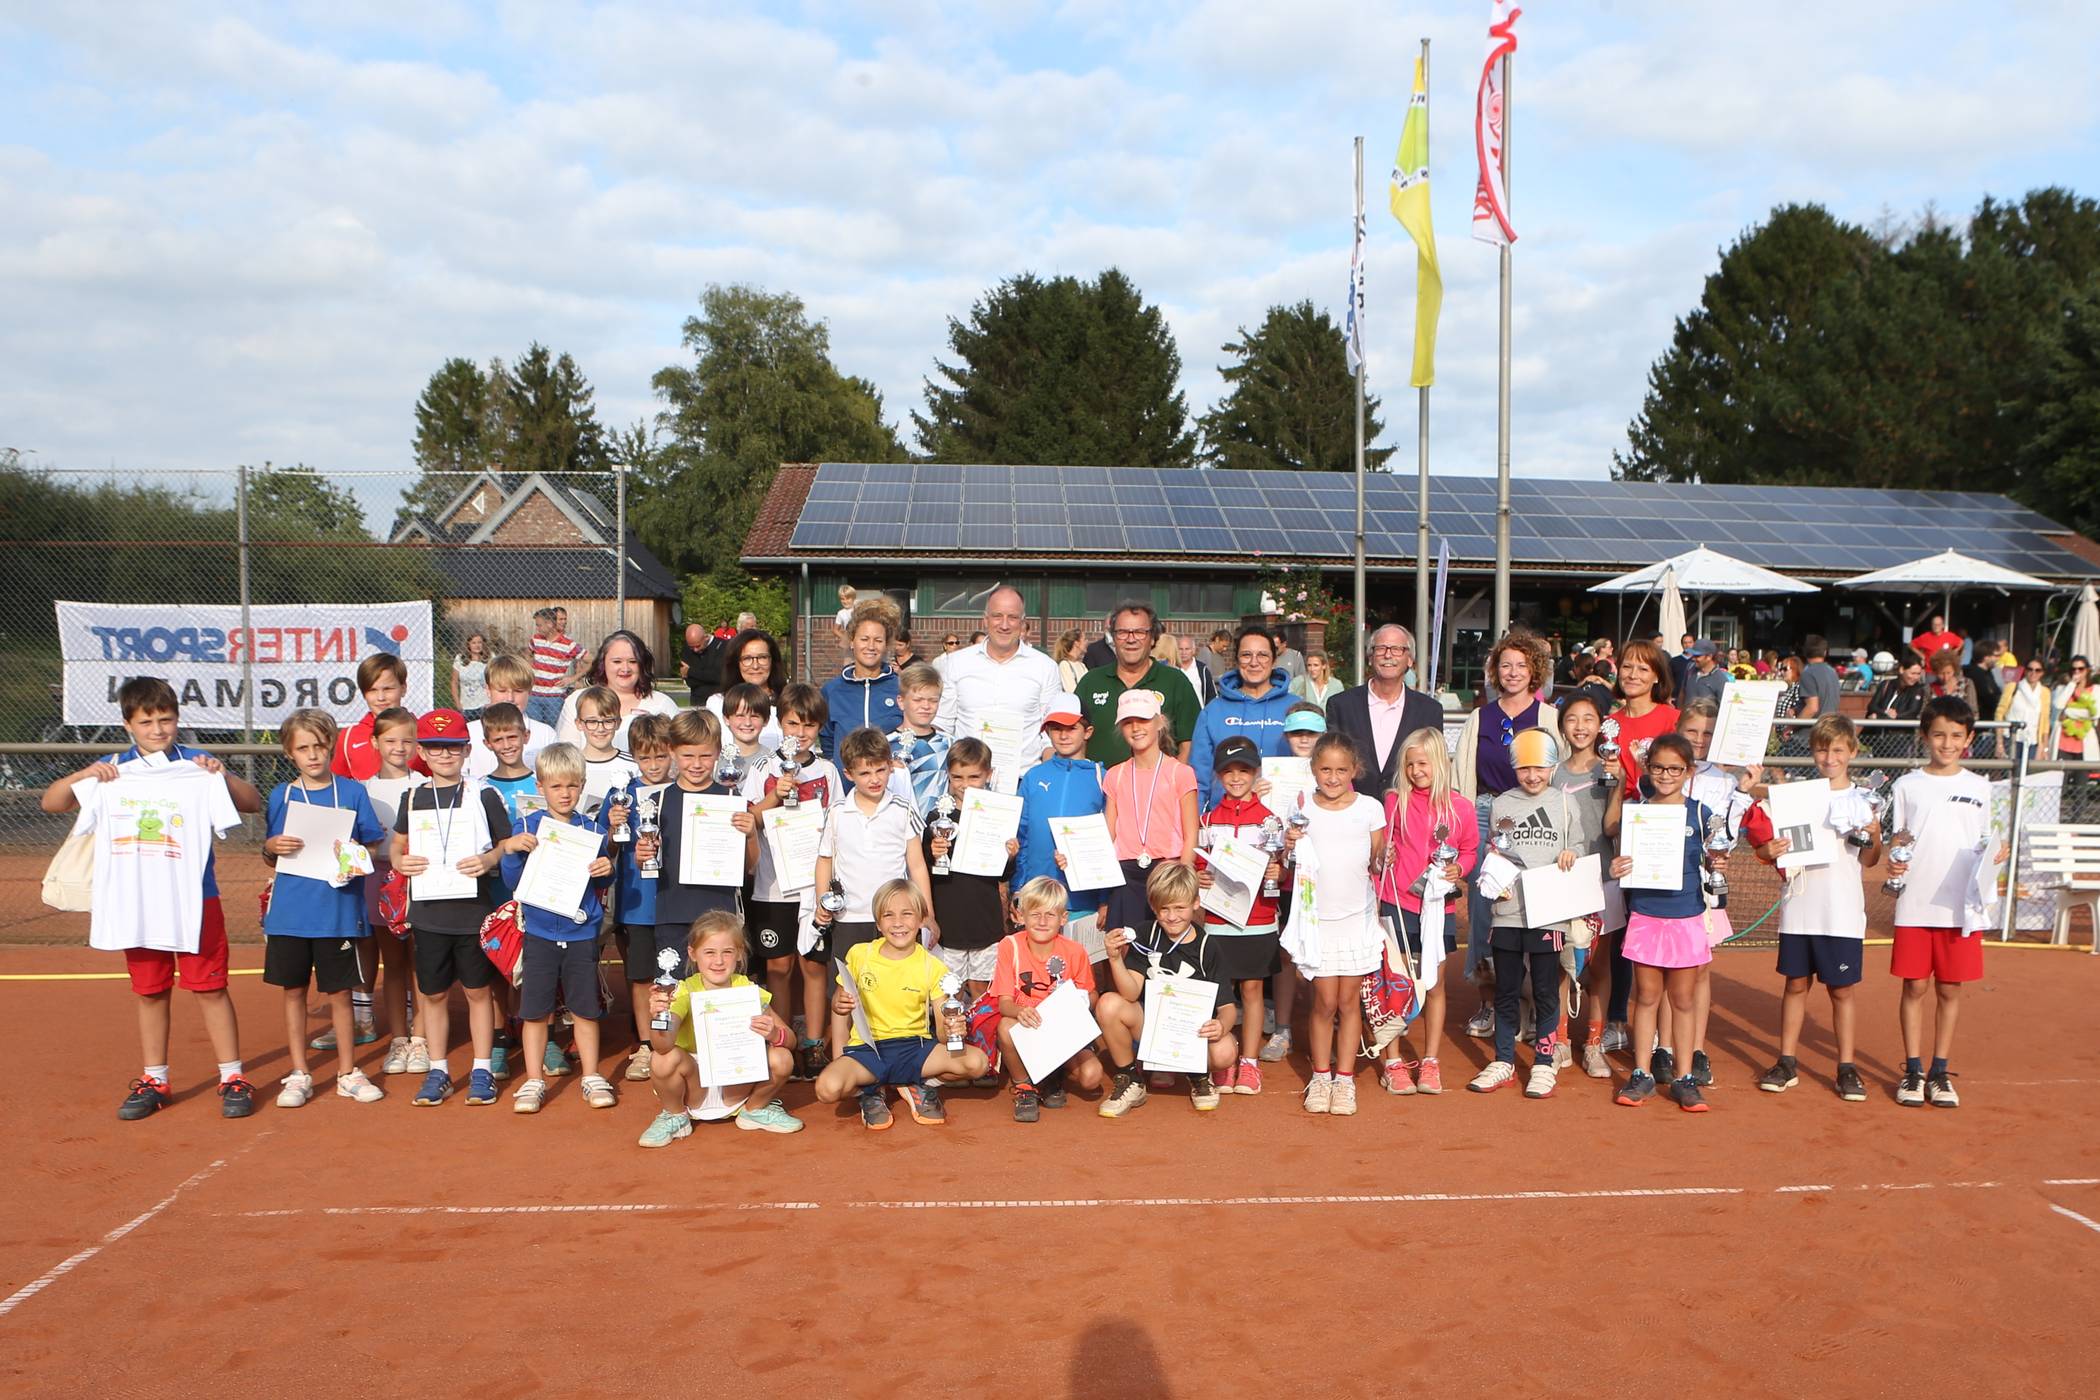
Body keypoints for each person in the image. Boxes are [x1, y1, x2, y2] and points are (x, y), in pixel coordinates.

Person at [42, 676, 263, 1120]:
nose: (158, 729)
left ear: (177, 720)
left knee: (210, 987)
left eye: (166, 719)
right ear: (128, 724)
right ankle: (154, 1077)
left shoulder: (196, 768)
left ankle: (232, 1075)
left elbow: (252, 802)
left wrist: (222, 775)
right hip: (136, 899)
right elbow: (53, 802)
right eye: (147, 722)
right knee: (150, 991)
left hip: (195, 897)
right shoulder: (113, 770)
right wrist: (87, 774)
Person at [1742, 715, 1877, 1103]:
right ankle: (1786, 1061)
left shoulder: (1865, 800)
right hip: (1800, 905)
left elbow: (1872, 858)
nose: (1829, 756)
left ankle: (1847, 1066)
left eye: (1837, 749)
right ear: (1812, 751)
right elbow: (1766, 838)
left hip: (1842, 910)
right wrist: (1766, 851)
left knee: (1841, 990)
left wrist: (1871, 836)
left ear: (1851, 751)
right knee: (1795, 985)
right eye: (1822, 748)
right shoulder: (1799, 796)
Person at [259, 710, 390, 1108]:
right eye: (303, 748)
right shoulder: (280, 795)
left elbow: (370, 846)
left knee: (339, 993)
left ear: (330, 745)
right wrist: (271, 847)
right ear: (289, 752)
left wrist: (353, 856)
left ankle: (348, 1071)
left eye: (319, 746)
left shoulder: (351, 793)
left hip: (336, 911)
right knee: (294, 991)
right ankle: (299, 1072)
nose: (313, 755)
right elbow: (270, 852)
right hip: (291, 913)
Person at [390, 708, 513, 1108]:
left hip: (472, 910)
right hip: (428, 913)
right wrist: (398, 861)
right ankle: (439, 1070)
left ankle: (481, 1068)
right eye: (435, 747)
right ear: (421, 753)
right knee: (434, 994)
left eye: (452, 746)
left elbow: (506, 844)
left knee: (478, 992)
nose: (444, 754)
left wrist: (489, 860)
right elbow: (397, 844)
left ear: (466, 749)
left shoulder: (483, 794)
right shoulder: (413, 795)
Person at [1885, 697, 1998, 1108]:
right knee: (1914, 985)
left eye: (1955, 735)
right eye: (1938, 734)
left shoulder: (1980, 788)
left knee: (1950, 989)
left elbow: (1986, 843)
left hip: (1960, 908)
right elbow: (1898, 841)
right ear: (1924, 736)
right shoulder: (1906, 786)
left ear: (1968, 738)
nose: (1946, 743)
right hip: (1915, 903)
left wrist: (1994, 856)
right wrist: (1894, 863)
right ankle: (1913, 1070)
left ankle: (1939, 1071)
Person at [495, 743, 617, 1114]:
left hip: (581, 934)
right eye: (556, 786)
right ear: (541, 786)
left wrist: (606, 870)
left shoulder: (593, 830)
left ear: (581, 786)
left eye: (572, 786)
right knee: (535, 1011)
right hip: (540, 933)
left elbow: (598, 885)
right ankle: (534, 1080)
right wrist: (512, 850)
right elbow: (513, 881)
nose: (565, 794)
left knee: (585, 1009)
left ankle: (592, 1075)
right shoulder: (528, 827)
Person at [1453, 629, 1562, 1039]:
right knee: (1487, 911)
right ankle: (1491, 1001)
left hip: (1538, 815)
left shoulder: (1548, 717)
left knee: (1535, 910)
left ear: (1534, 671)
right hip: (1489, 812)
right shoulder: (1481, 716)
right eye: (1505, 665)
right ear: (1494, 671)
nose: (1513, 672)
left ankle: (1534, 1003)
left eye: (1521, 665)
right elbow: (1464, 776)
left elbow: (1560, 773)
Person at [1610, 733, 1726, 1113]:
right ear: (1649, 768)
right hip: (1645, 914)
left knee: (1683, 1000)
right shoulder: (1637, 812)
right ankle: (1641, 1072)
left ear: (1688, 772)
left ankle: (1685, 1076)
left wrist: (1717, 864)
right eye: (1659, 767)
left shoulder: (1700, 814)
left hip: (1686, 917)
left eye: (1675, 769)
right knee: (1645, 997)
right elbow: (1622, 860)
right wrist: (1618, 868)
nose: (1666, 775)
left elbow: (1714, 858)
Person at [815, 880, 987, 1129]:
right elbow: (841, 1007)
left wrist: (952, 1029)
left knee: (977, 1063)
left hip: (915, 1049)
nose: (898, 922)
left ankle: (916, 1083)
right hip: (867, 1050)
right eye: (888, 915)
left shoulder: (932, 966)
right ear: (877, 923)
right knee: (827, 1089)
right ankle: (871, 1089)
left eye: (907, 914)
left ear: (921, 920)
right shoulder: (859, 955)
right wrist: (839, 1055)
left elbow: (940, 1032)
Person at [1277, 731, 1387, 1115]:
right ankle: (1320, 1076)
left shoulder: (1371, 808)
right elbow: (1291, 860)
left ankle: (1345, 1080)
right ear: (1313, 769)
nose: (1334, 777)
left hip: (1356, 921)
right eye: (1325, 769)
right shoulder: (1302, 805)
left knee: (1348, 1001)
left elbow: (1377, 862)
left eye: (1342, 770)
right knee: (1323, 1001)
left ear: (1354, 769)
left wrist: (1385, 860)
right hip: (1316, 922)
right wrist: (1290, 845)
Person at [810, 726, 935, 1054]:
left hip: (894, 921)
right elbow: (824, 861)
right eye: (865, 773)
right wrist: (822, 901)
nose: (875, 779)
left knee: (890, 990)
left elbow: (917, 865)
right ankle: (841, 1057)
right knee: (846, 992)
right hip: (849, 917)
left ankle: (898, 1057)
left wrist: (927, 915)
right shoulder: (837, 813)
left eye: (881, 770)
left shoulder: (902, 809)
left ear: (890, 766)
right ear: (849, 773)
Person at [1370, 726, 1479, 1096]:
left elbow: (1468, 851)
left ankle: (1430, 1061)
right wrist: (1381, 855)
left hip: (1437, 905)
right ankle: (1394, 1061)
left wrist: (1458, 869)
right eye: (1410, 763)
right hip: (1396, 902)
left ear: (1440, 763)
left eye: (1424, 763)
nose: (1417, 770)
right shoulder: (1393, 801)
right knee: (1396, 983)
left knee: (1433, 982)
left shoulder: (1460, 807)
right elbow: (1381, 847)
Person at [1473, 729, 1578, 1099]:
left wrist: (1571, 855)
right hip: (1507, 912)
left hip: (1549, 913)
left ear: (1553, 766)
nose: (1532, 776)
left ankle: (1544, 1062)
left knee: (1547, 989)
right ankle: (1503, 1060)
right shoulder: (1501, 803)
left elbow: (1576, 846)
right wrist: (1493, 870)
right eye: (1524, 769)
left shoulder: (1566, 804)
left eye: (1540, 768)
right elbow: (1494, 850)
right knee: (1506, 987)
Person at [638, 912, 803, 1146]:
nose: (718, 961)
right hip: (695, 1088)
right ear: (692, 954)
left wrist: (774, 1034)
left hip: (736, 1084)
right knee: (662, 1059)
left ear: (739, 954)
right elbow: (662, 1045)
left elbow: (792, 1041)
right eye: (709, 952)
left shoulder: (748, 990)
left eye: (727, 952)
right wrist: (659, 1015)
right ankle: (675, 1116)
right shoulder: (683, 990)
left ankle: (753, 1110)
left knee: (782, 1058)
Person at [744, 682, 841, 1070]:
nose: (800, 733)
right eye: (792, 723)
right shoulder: (762, 768)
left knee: (813, 965)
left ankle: (814, 1043)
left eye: (810, 725)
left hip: (813, 886)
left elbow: (837, 824)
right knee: (778, 967)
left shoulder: (828, 771)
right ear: (779, 723)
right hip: (771, 885)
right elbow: (749, 820)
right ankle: (783, 1040)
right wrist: (775, 796)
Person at [1096, 863, 1239, 1117]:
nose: (1172, 917)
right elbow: (1130, 994)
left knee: (1225, 1049)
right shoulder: (1144, 935)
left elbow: (1227, 1007)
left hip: (1192, 1032)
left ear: (1196, 903)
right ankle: (1131, 1079)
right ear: (1153, 906)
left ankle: (1198, 1075)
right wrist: (1115, 959)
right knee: (1108, 1004)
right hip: (1151, 1028)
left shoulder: (1208, 946)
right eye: (1164, 908)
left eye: (1180, 908)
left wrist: (1222, 1026)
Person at [1194, 736, 1285, 1098]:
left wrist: (1279, 874)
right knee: (1221, 993)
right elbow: (1202, 865)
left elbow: (1282, 870)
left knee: (1252, 990)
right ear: (1218, 776)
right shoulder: (1207, 819)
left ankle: (1249, 1062)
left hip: (1259, 918)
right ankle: (1224, 1058)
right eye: (1228, 771)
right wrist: (1200, 878)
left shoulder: (1270, 821)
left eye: (1244, 770)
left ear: (1256, 773)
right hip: (1217, 919)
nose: (1236, 778)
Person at [991, 877, 1105, 1121]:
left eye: (1050, 915)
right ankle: (1024, 1087)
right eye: (1035, 914)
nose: (1042, 922)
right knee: (1006, 1026)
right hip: (1029, 1025)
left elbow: (1092, 996)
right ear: (1021, 916)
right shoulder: (1009, 946)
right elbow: (1004, 1003)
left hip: (1063, 1030)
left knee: (1092, 1076)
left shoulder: (1075, 951)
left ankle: (1052, 1075)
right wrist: (1019, 1010)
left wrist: (1078, 1001)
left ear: (1063, 919)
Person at [1550, 693, 1623, 1078]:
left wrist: (1619, 783)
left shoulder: (1610, 768)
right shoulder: (1553, 773)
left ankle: (1593, 1043)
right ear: (1562, 725)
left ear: (1602, 726)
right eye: (1572, 719)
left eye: (1589, 719)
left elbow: (1612, 827)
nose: (1580, 727)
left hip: (1602, 876)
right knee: (1561, 963)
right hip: (1562, 878)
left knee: (1598, 965)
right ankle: (1560, 1038)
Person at [935, 585, 1064, 792]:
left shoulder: (1045, 667)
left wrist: (1046, 779)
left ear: (1023, 623)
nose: (1004, 625)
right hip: (968, 784)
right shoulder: (957, 663)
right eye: (997, 616)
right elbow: (943, 724)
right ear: (985, 620)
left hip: (1024, 783)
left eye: (1012, 617)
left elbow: (1049, 733)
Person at [1014, 694, 1110, 971]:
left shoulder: (1103, 777)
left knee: (1085, 973)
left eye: (1071, 728)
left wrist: (1105, 899)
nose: (1063, 735)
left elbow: (1108, 842)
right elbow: (1023, 837)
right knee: (1037, 973)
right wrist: (1019, 888)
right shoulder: (1034, 777)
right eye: (1056, 728)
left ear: (1088, 731)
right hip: (1038, 899)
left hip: (1082, 899)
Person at [1098, 690, 1199, 935]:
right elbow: (1106, 836)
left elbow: (1190, 836)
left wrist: (1182, 885)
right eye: (1128, 722)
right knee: (1125, 952)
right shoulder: (1115, 774)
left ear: (1159, 722)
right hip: (1125, 875)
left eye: (1143, 720)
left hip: (1167, 872)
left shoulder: (1180, 772)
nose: (1135, 728)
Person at [922, 738, 1014, 1000]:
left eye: (974, 777)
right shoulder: (936, 817)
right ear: (948, 776)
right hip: (949, 920)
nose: (964, 785)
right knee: (949, 991)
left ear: (989, 774)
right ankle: (955, 1038)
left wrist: (1009, 856)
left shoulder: (998, 815)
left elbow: (1004, 875)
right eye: (957, 777)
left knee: (982, 990)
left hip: (984, 919)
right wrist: (933, 853)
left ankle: (982, 1040)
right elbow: (924, 868)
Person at [613, 713, 675, 1083]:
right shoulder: (621, 794)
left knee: (678, 974)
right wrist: (612, 824)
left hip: (676, 898)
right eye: (644, 758)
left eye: (660, 756)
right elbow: (608, 844)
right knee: (640, 977)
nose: (653, 766)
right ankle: (645, 1045)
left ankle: (677, 1039)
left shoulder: (684, 790)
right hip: (638, 904)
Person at [364, 707, 425, 1069]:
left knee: (421, 961)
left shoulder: (423, 785)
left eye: (407, 740)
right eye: (390, 740)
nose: (399, 748)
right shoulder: (364, 790)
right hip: (378, 881)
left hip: (419, 879)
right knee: (394, 963)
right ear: (375, 742)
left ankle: (422, 1039)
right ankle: (398, 1040)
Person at [1326, 624, 1444, 800]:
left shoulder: (1429, 710)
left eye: (1397, 649)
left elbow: (1434, 766)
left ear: (1410, 660)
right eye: (1381, 648)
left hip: (1407, 813)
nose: (1388, 655)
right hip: (1352, 812)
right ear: (1370, 658)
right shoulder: (1341, 705)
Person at [1076, 601, 1201, 765]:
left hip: (1159, 788)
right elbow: (1073, 737)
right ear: (1113, 638)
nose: (1131, 639)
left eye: (1140, 632)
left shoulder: (1175, 681)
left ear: (1152, 638)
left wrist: (1175, 781)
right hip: (1099, 787)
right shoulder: (1091, 681)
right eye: (1122, 632)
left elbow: (1189, 741)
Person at [1188, 624, 1295, 811]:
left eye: (1262, 655)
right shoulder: (1214, 711)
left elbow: (1315, 765)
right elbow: (1199, 777)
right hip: (1226, 822)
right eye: (1246, 655)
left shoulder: (1296, 707)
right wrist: (1197, 823)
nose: (1254, 662)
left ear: (1274, 660)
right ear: (1236, 660)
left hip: (1283, 820)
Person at [556, 630, 678, 751]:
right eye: (617, 661)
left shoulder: (662, 704)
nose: (625, 669)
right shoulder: (577, 700)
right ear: (603, 663)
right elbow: (566, 755)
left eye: (633, 661)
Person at [818, 597, 905, 761]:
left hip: (888, 782)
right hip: (844, 784)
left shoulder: (901, 687)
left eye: (878, 640)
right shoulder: (831, 691)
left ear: (886, 645)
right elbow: (827, 741)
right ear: (852, 642)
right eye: (864, 639)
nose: (871, 647)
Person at [466, 656, 556, 781]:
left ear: (529, 691)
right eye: (502, 690)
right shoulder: (469, 732)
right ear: (488, 690)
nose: (510, 698)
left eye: (518, 691)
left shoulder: (546, 734)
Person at [1609, 638, 1681, 788]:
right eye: (1627, 666)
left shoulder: (1674, 720)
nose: (1633, 675)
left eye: (1643, 669)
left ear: (1656, 677)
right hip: (1617, 804)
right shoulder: (1609, 725)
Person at [885, 661, 951, 817]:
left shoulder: (949, 743)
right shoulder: (886, 745)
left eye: (933, 700)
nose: (926, 706)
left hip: (936, 835)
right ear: (901, 702)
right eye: (918, 700)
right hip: (899, 830)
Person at [332, 653, 410, 781]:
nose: (381, 698)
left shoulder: (422, 731)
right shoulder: (347, 737)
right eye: (372, 690)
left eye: (388, 689)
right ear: (364, 693)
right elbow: (337, 786)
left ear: (403, 689)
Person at [706, 628, 785, 750]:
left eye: (762, 657)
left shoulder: (787, 702)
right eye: (747, 659)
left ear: (773, 661)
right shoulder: (717, 703)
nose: (755, 666)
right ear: (736, 663)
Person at [570, 686, 640, 823]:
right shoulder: (568, 765)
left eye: (608, 721)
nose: (600, 728)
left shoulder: (633, 765)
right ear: (579, 723)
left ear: (618, 723)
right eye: (592, 721)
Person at [528, 607, 585, 729]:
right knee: (534, 729)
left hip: (554, 696)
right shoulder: (535, 640)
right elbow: (528, 656)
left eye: (539, 625)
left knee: (553, 730)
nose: (537, 628)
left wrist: (573, 678)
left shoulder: (568, 645)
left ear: (549, 624)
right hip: (534, 694)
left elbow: (590, 660)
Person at [1996, 656, 2051, 759]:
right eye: (2030, 669)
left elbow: (2045, 721)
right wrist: (1999, 742)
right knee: (2010, 772)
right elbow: (2000, 713)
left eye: (2038, 670)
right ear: (2025, 670)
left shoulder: (2045, 692)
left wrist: (2044, 746)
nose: (2033, 673)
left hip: (2032, 741)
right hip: (2011, 739)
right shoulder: (2013, 686)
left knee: (2028, 773)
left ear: (2042, 673)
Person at [1797, 635, 1841, 721]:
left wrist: (1791, 726)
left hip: (1812, 730)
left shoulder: (1808, 673)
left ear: (1805, 652)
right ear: (1825, 652)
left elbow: (1812, 708)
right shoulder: (1832, 672)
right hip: (1830, 727)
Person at [1928, 649, 1978, 714]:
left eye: (1949, 673)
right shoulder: (1930, 688)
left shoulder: (1967, 684)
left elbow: (1973, 710)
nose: (1945, 677)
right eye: (1941, 673)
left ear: (1954, 670)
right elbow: (1925, 712)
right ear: (1935, 672)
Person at [452, 633, 489, 719]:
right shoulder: (460, 659)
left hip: (484, 704)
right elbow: (454, 682)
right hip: (466, 706)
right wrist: (457, 703)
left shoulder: (489, 659)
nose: (477, 645)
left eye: (480, 642)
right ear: (468, 644)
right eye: (474, 643)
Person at [1681, 640, 1727, 707]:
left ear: (1709, 657)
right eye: (1693, 655)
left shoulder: (1721, 680)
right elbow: (1682, 692)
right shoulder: (1690, 668)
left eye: (1697, 656)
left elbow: (1723, 708)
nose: (1693, 658)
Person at [1176, 634, 1216, 705]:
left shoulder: (1203, 670)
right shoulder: (1172, 668)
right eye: (1180, 649)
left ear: (1193, 650)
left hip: (1199, 714)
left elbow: (1212, 695)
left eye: (1187, 649)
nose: (1183, 652)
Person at [1054, 628, 1088, 693]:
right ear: (1076, 643)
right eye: (1084, 639)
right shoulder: (1064, 665)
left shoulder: (1082, 665)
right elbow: (1071, 691)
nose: (1086, 642)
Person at [832, 584, 858, 648]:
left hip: (860, 639)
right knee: (848, 657)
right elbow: (835, 630)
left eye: (848, 598)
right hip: (848, 642)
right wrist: (845, 638)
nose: (845, 601)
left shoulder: (859, 609)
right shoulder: (841, 613)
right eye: (842, 599)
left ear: (853, 598)